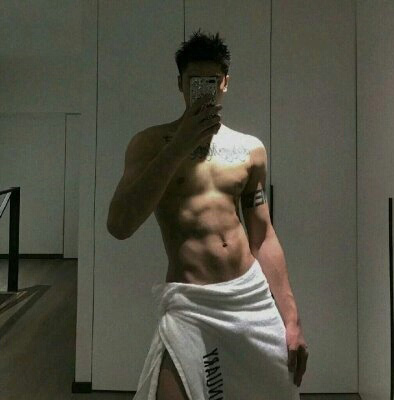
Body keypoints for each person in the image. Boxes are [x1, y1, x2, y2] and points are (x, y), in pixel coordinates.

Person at [107, 28, 307, 400]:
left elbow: (263, 236)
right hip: (191, 304)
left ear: (225, 83)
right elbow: (119, 224)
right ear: (180, 84)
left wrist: (291, 318)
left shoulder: (249, 149)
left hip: (249, 297)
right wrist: (180, 145)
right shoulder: (150, 144)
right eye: (194, 81)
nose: (204, 89)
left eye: (212, 81)